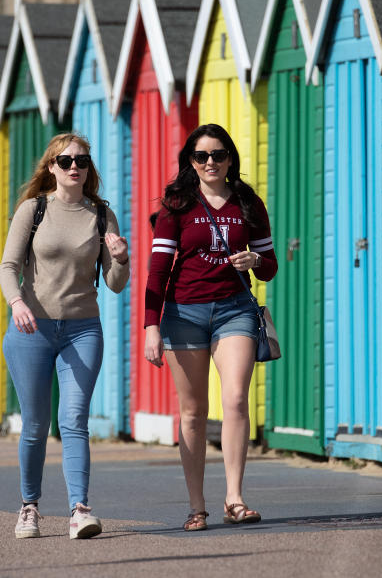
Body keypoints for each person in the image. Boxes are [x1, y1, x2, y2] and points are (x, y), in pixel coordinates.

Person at [144, 123, 278, 531]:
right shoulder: (176, 206)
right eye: (201, 156)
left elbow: (270, 266)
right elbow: (157, 272)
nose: (210, 162)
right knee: (194, 411)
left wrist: (255, 262)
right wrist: (152, 327)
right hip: (184, 314)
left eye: (218, 154)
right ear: (191, 161)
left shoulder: (248, 202)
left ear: (230, 158)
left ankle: (234, 498)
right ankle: (196, 505)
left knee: (236, 399)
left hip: (234, 310)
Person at [0, 133, 130, 540]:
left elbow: (115, 284)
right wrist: (17, 302)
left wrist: (122, 259)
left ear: (89, 169)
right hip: (32, 328)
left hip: (82, 329)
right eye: (66, 160)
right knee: (36, 424)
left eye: (83, 161)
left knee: (74, 420)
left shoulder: (102, 216)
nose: (75, 167)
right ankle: (29, 507)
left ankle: (80, 510)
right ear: (52, 167)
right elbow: (7, 267)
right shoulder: (33, 210)